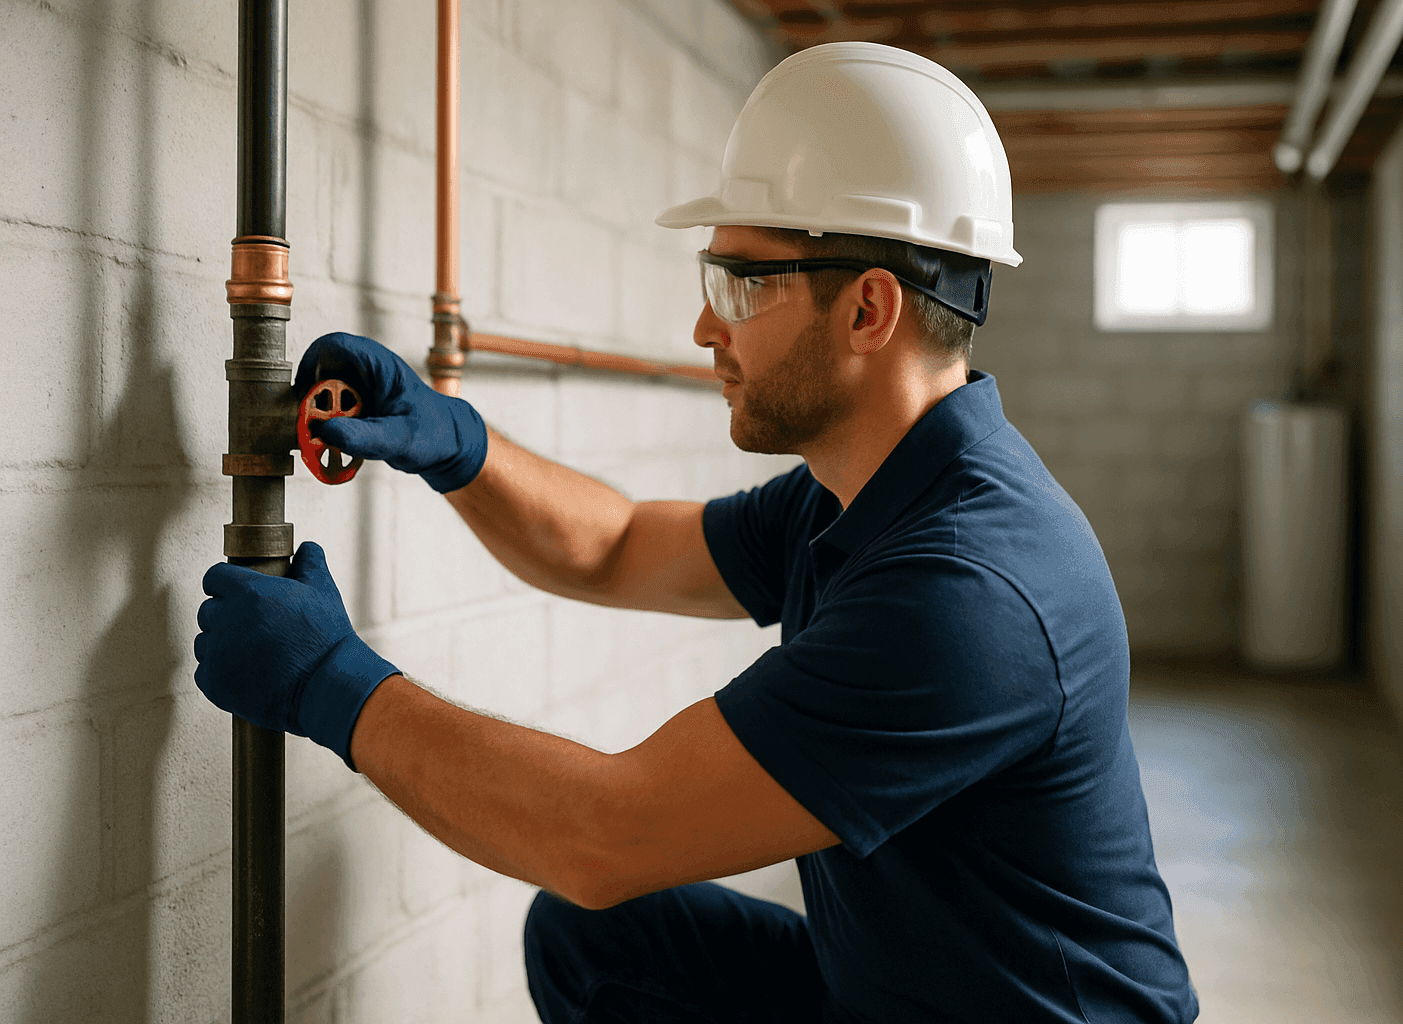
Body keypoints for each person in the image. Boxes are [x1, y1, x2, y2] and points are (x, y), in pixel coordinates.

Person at [195, 42, 1198, 1024]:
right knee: (604, 946)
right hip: (901, 992)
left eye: (738, 285)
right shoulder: (860, 494)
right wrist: (460, 445)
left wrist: (330, 684)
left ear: (868, 309)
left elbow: (607, 834)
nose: (704, 328)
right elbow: (619, 543)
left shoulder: (967, 591)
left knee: (597, 887)